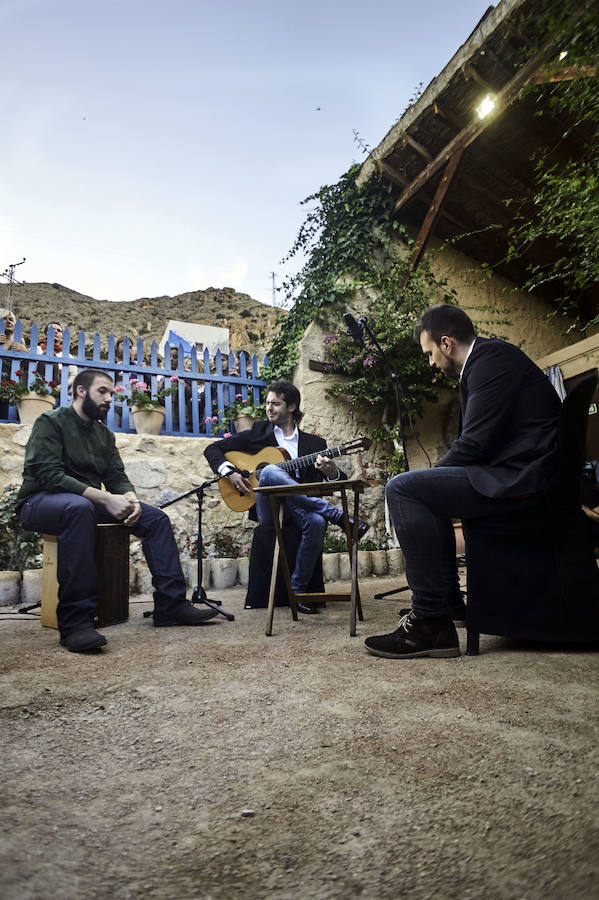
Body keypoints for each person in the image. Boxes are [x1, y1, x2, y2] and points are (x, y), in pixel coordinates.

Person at [365, 304, 561, 660]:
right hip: (521, 472)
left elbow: (474, 445)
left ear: (446, 343)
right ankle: (449, 604)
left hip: (525, 480)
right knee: (421, 490)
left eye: (429, 354)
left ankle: (429, 620)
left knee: (403, 488)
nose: (430, 363)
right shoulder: (490, 360)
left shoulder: (490, 362)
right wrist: (435, 480)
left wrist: (431, 478)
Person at [16, 368, 218, 653]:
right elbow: (49, 475)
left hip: (86, 505)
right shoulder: (51, 422)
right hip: (39, 502)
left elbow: (117, 477)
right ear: (80, 391)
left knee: (156, 518)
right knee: (79, 507)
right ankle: (75, 623)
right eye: (103, 391)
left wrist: (131, 500)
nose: (110, 398)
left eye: (112, 393)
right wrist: (105, 499)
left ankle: (171, 607)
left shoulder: (104, 435)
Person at [204, 380, 368, 613]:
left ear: (291, 407)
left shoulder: (315, 444)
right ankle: (338, 516)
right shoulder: (258, 432)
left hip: (300, 511)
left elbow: (335, 479)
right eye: (268, 403)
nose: (269, 408)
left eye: (275, 404)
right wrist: (228, 472)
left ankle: (299, 592)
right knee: (270, 470)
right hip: (269, 510)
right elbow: (213, 449)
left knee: (317, 521)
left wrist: (332, 472)